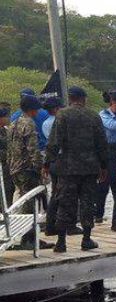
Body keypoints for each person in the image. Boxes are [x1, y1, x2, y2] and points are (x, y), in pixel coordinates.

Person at [44, 86, 107, 253]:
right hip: (89, 168)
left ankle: (61, 242)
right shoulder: (93, 116)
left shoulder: (62, 115)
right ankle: (86, 239)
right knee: (87, 203)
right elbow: (102, 144)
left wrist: (47, 163)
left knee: (65, 203)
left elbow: (54, 142)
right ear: (83, 98)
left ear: (70, 98)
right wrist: (104, 166)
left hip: (67, 168)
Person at [7, 95, 53, 249]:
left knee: (23, 200)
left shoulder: (13, 124)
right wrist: (40, 168)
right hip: (27, 170)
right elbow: (33, 149)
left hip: (15, 169)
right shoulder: (29, 124)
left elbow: (10, 149)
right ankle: (29, 238)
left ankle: (23, 236)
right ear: (33, 109)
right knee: (32, 203)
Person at [96, 90, 116, 231]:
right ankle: (98, 214)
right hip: (108, 152)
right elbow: (112, 126)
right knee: (103, 187)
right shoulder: (103, 115)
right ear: (112, 102)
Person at [40, 96, 66, 236]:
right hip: (61, 158)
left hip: (52, 160)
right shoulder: (59, 122)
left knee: (55, 192)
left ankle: (51, 224)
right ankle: (55, 225)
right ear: (56, 109)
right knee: (61, 193)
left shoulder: (45, 123)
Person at [0, 102, 14, 210]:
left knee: (9, 189)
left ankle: (7, 210)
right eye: (6, 117)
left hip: (7, 166)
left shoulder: (5, 130)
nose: (9, 119)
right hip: (2, 165)